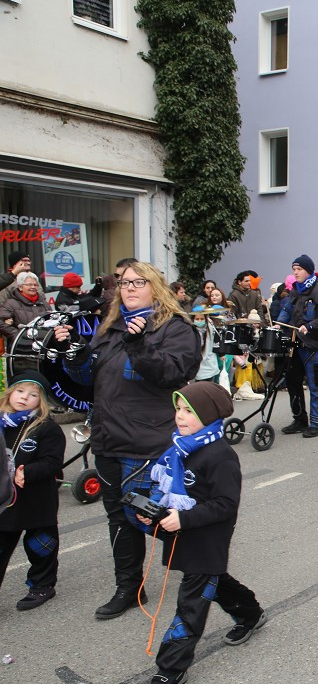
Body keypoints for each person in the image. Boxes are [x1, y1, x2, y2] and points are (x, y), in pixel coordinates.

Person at [55, 261, 201, 619]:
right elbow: (91, 381)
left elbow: (174, 374)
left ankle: (207, 569)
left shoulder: (174, 327)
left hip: (147, 440)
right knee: (119, 518)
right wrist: (72, 354)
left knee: (150, 517)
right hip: (107, 438)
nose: (129, 288)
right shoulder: (111, 326)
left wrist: (139, 345)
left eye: (138, 282)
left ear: (156, 286)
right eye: (123, 283)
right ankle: (129, 588)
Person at [135, 382, 266, 684]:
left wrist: (184, 519)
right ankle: (250, 614)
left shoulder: (221, 456)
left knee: (192, 601)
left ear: (208, 415)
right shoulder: (181, 447)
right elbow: (175, 494)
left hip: (208, 535)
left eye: (188, 411)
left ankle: (171, 667)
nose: (179, 416)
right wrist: (153, 513)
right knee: (212, 578)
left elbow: (225, 504)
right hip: (187, 531)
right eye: (178, 408)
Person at [0, 372, 66, 610]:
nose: (24, 398)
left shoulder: (45, 428)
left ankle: (42, 585)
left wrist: (28, 471)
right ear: (10, 392)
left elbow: (52, 462)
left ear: (41, 401)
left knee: (41, 545)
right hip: (3, 498)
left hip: (35, 497)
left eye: (33, 395)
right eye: (20, 391)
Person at [277, 255, 318, 438]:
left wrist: (312, 325)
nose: (295, 273)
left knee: (316, 384)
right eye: (294, 269)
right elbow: (287, 310)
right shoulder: (296, 290)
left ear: (308, 270)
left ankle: (316, 424)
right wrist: (278, 324)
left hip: (315, 345)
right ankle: (299, 419)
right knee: (293, 382)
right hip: (296, 344)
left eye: (299, 269)